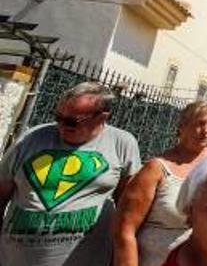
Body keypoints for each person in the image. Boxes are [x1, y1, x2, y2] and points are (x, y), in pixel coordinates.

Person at [0, 82, 142, 266]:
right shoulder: (30, 139)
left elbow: (128, 210)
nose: (61, 125)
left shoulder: (122, 143)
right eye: (58, 117)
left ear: (102, 117)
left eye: (71, 121)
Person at [114, 101, 207, 266]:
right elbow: (125, 229)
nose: (206, 130)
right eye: (199, 124)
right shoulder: (156, 169)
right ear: (182, 127)